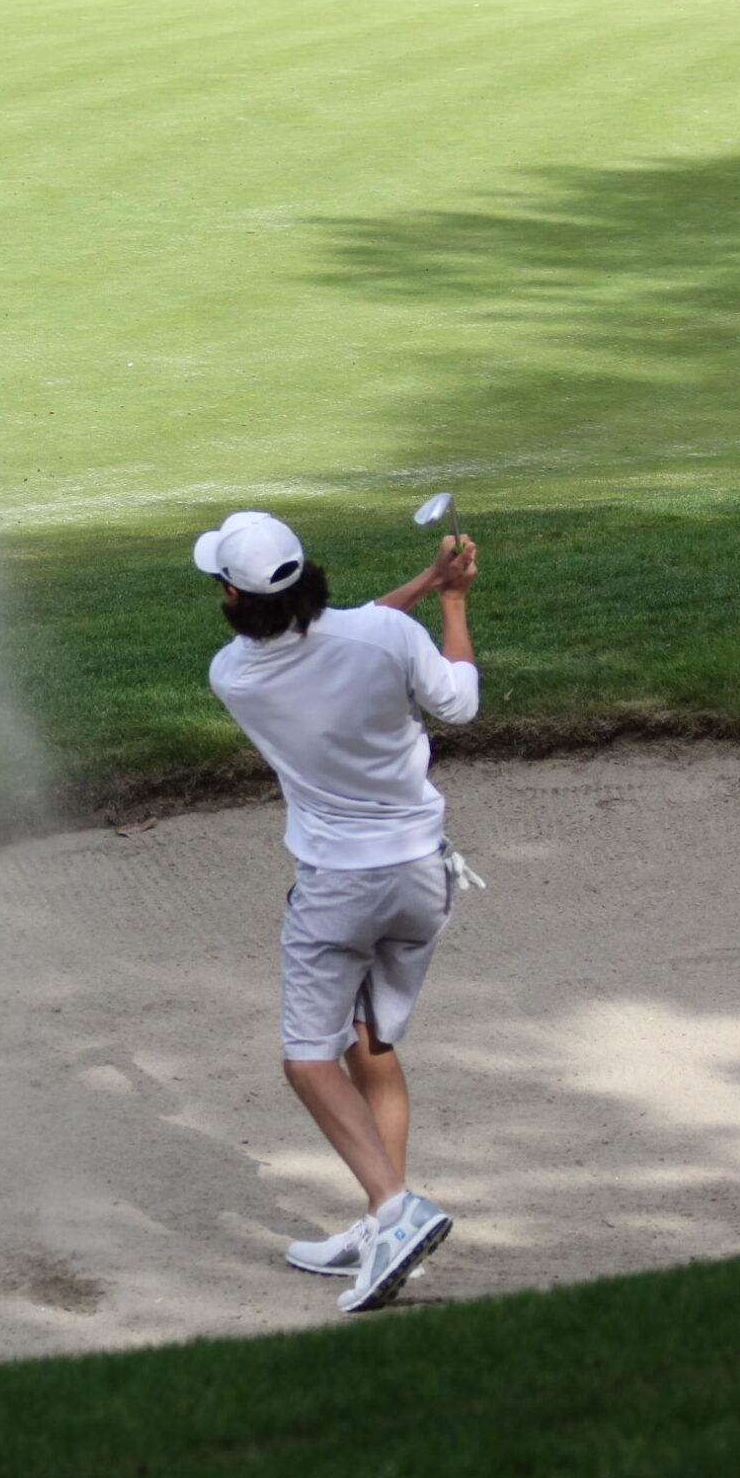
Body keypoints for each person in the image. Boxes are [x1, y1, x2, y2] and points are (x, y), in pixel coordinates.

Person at [193, 511, 479, 1313]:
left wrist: (428, 586)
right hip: (422, 877)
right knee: (369, 1045)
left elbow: (348, 632)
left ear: (230, 596)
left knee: (307, 1058)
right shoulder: (383, 640)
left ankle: (396, 1210)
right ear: (306, 572)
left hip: (337, 890)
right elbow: (455, 701)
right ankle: (381, 1216)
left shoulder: (234, 675)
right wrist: (451, 599)